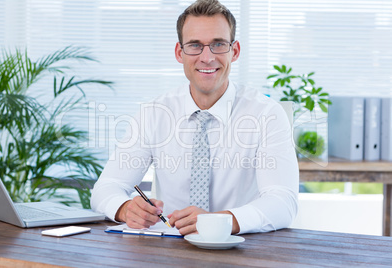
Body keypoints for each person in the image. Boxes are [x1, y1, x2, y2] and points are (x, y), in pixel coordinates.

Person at [91, 0, 299, 235]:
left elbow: (283, 202)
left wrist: (219, 221)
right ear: (180, 53)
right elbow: (106, 189)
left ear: (235, 51)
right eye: (195, 45)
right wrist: (126, 208)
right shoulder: (154, 113)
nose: (207, 57)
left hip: (242, 249)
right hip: (170, 248)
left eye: (218, 44)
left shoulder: (267, 114)